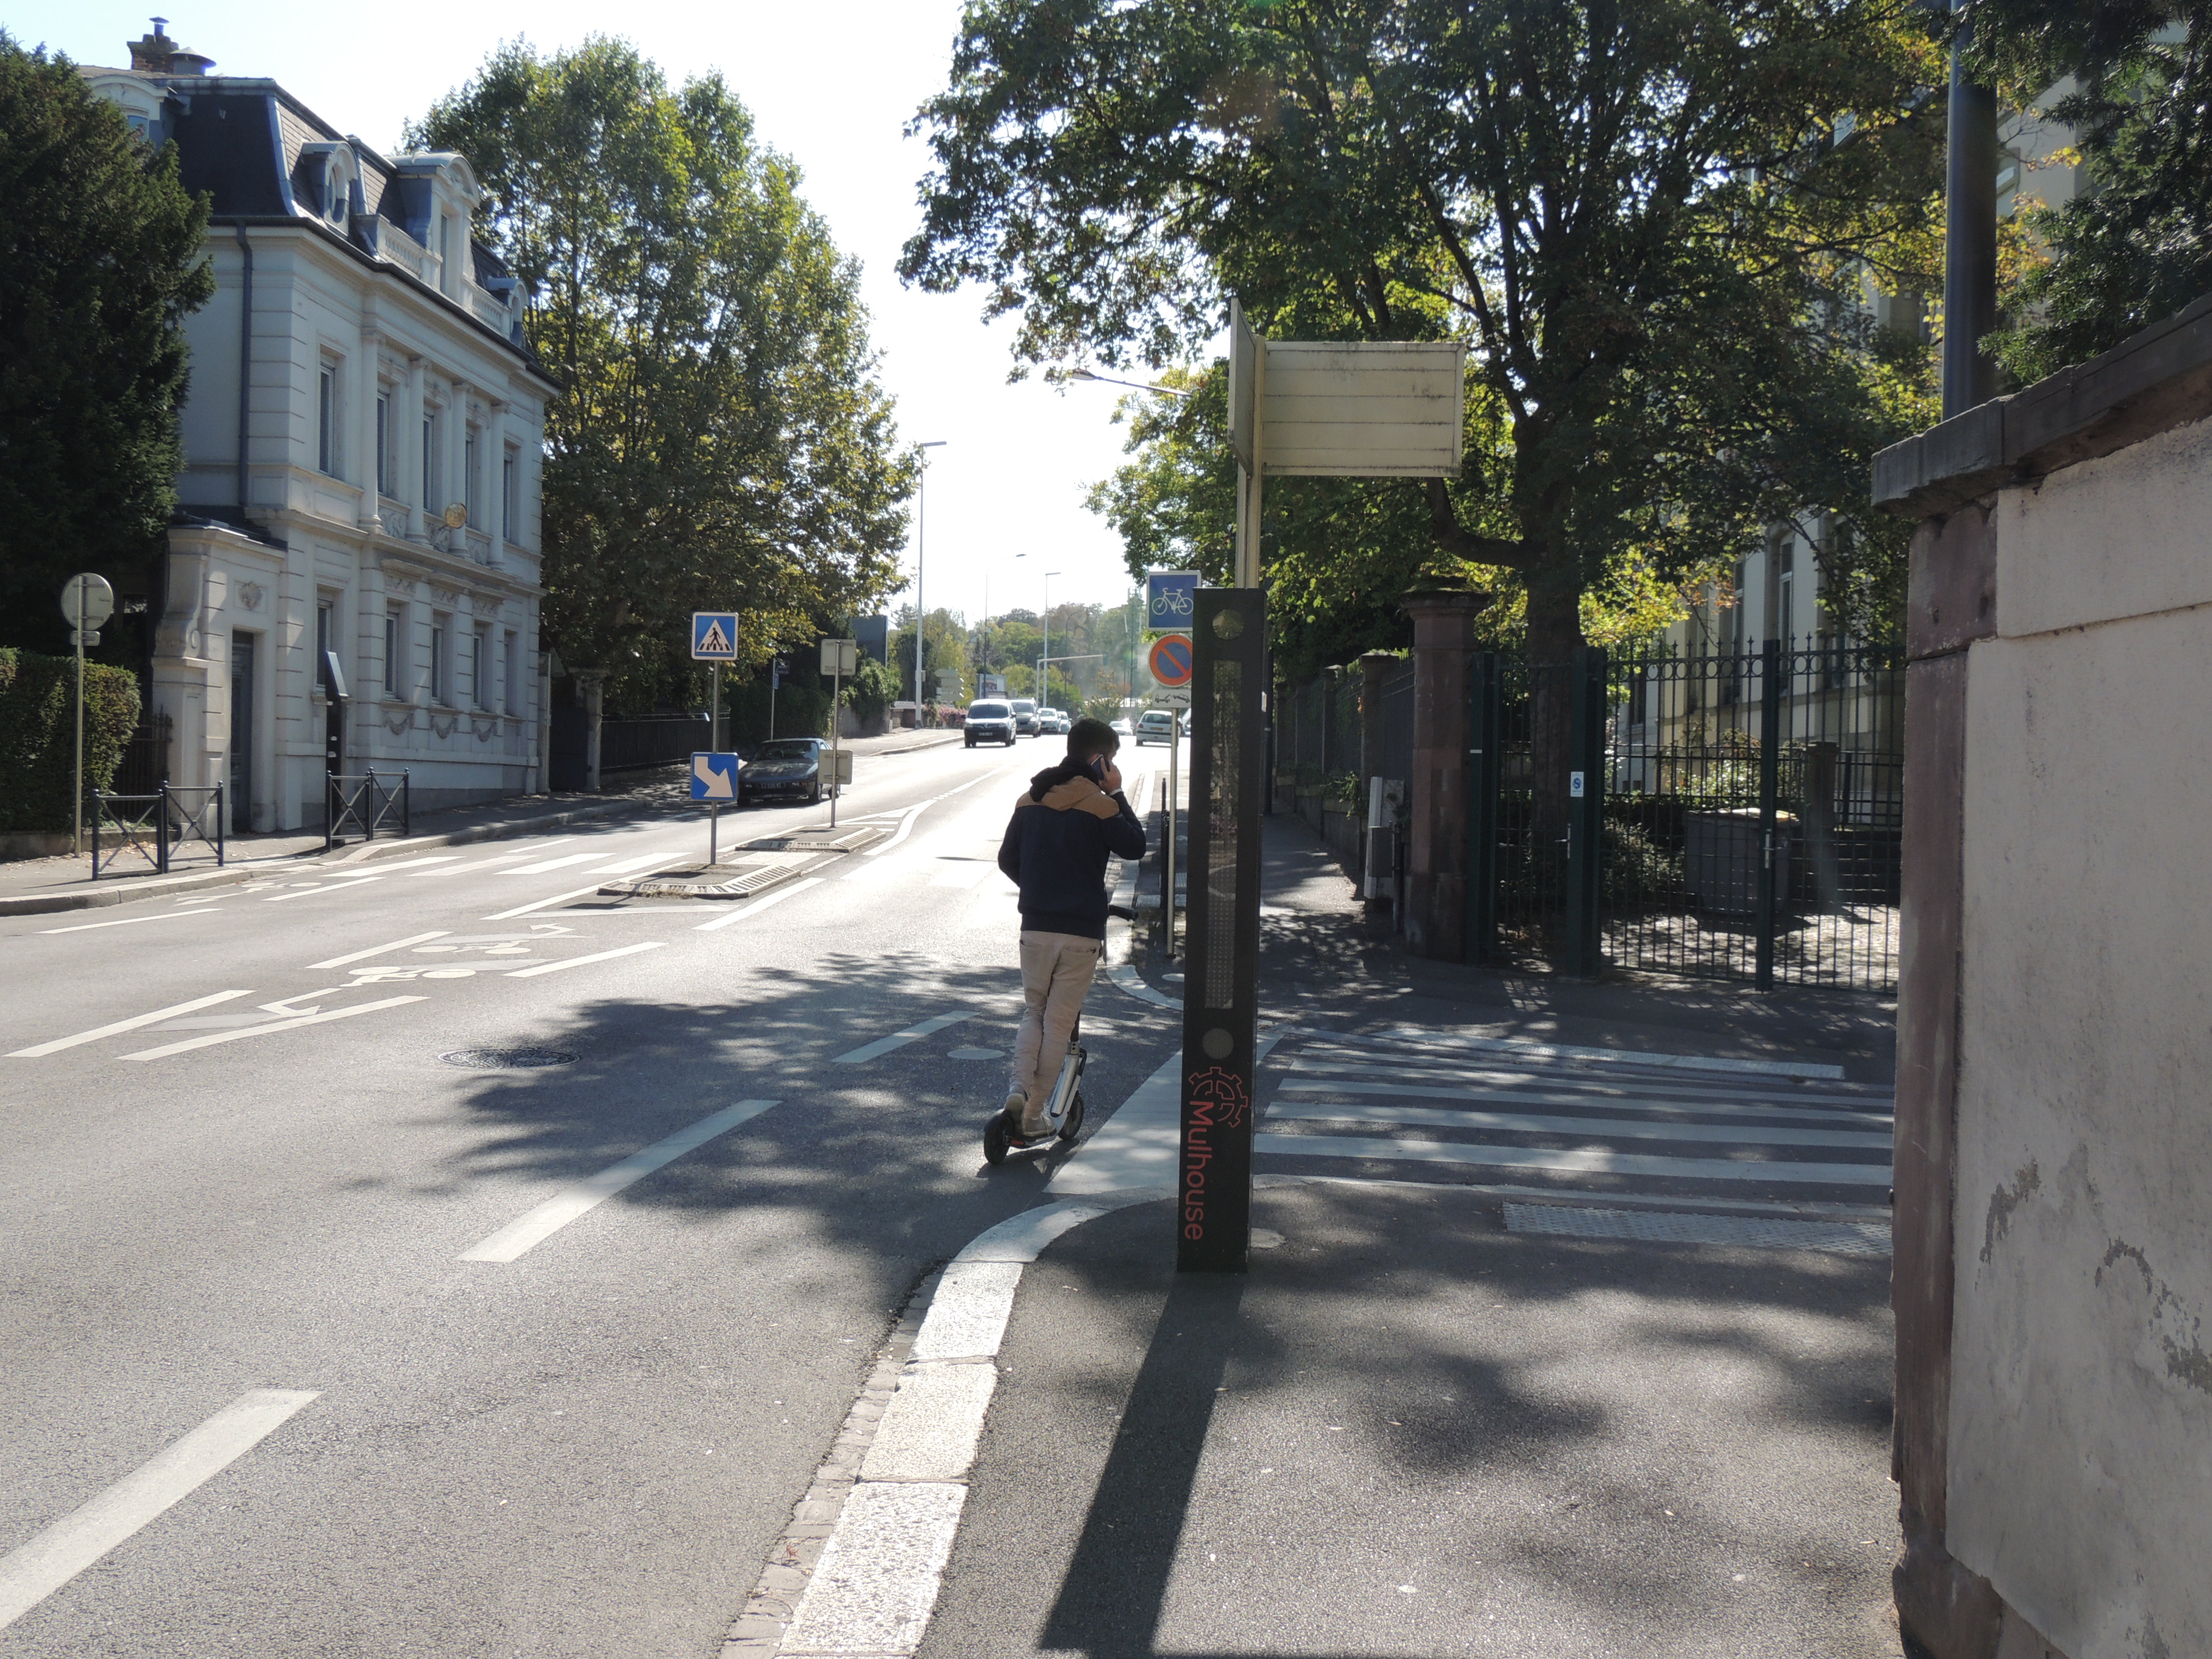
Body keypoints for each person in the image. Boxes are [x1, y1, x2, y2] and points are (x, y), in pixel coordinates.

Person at [996, 716, 1146, 1140]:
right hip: (1080, 933)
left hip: (1037, 927)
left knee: (1035, 1013)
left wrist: (1043, 889)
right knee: (1060, 1025)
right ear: (1100, 759)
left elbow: (1008, 860)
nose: (1112, 767)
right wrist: (1116, 791)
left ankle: (1017, 1091)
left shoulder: (1031, 799)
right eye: (1111, 759)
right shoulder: (1100, 804)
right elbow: (1135, 845)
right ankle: (1033, 1116)